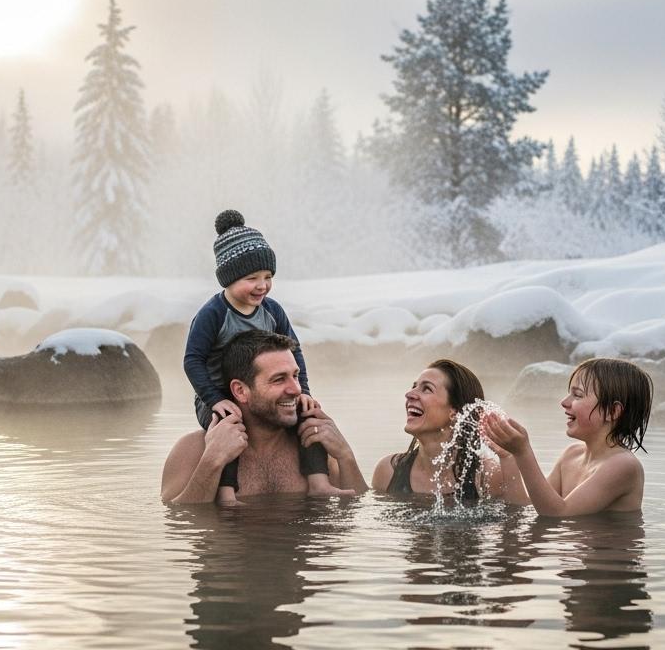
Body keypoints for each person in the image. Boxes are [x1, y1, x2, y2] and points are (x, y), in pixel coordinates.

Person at [183, 210, 350, 505]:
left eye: (268, 277)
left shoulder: (272, 310)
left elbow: (294, 353)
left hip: (263, 390)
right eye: (252, 278)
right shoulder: (213, 314)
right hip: (216, 394)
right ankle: (226, 493)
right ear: (228, 279)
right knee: (227, 426)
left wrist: (305, 394)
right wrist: (213, 399)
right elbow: (192, 360)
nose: (262, 285)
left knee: (308, 416)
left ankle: (319, 482)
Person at [163, 330, 368, 504]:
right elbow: (178, 523)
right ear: (240, 390)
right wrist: (211, 462)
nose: (296, 389)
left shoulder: (313, 444)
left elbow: (359, 512)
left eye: (295, 376)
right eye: (279, 379)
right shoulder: (193, 450)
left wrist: (345, 455)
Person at [482, 357, 652, 516]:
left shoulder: (623, 465)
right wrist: (509, 457)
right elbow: (529, 507)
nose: (564, 402)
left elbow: (557, 514)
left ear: (612, 411)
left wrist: (523, 453)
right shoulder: (571, 455)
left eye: (577, 395)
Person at [371, 359, 527, 504]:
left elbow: (517, 522)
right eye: (414, 386)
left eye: (426, 389)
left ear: (455, 411)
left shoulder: (486, 475)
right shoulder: (388, 471)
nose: (409, 394)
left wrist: (508, 458)